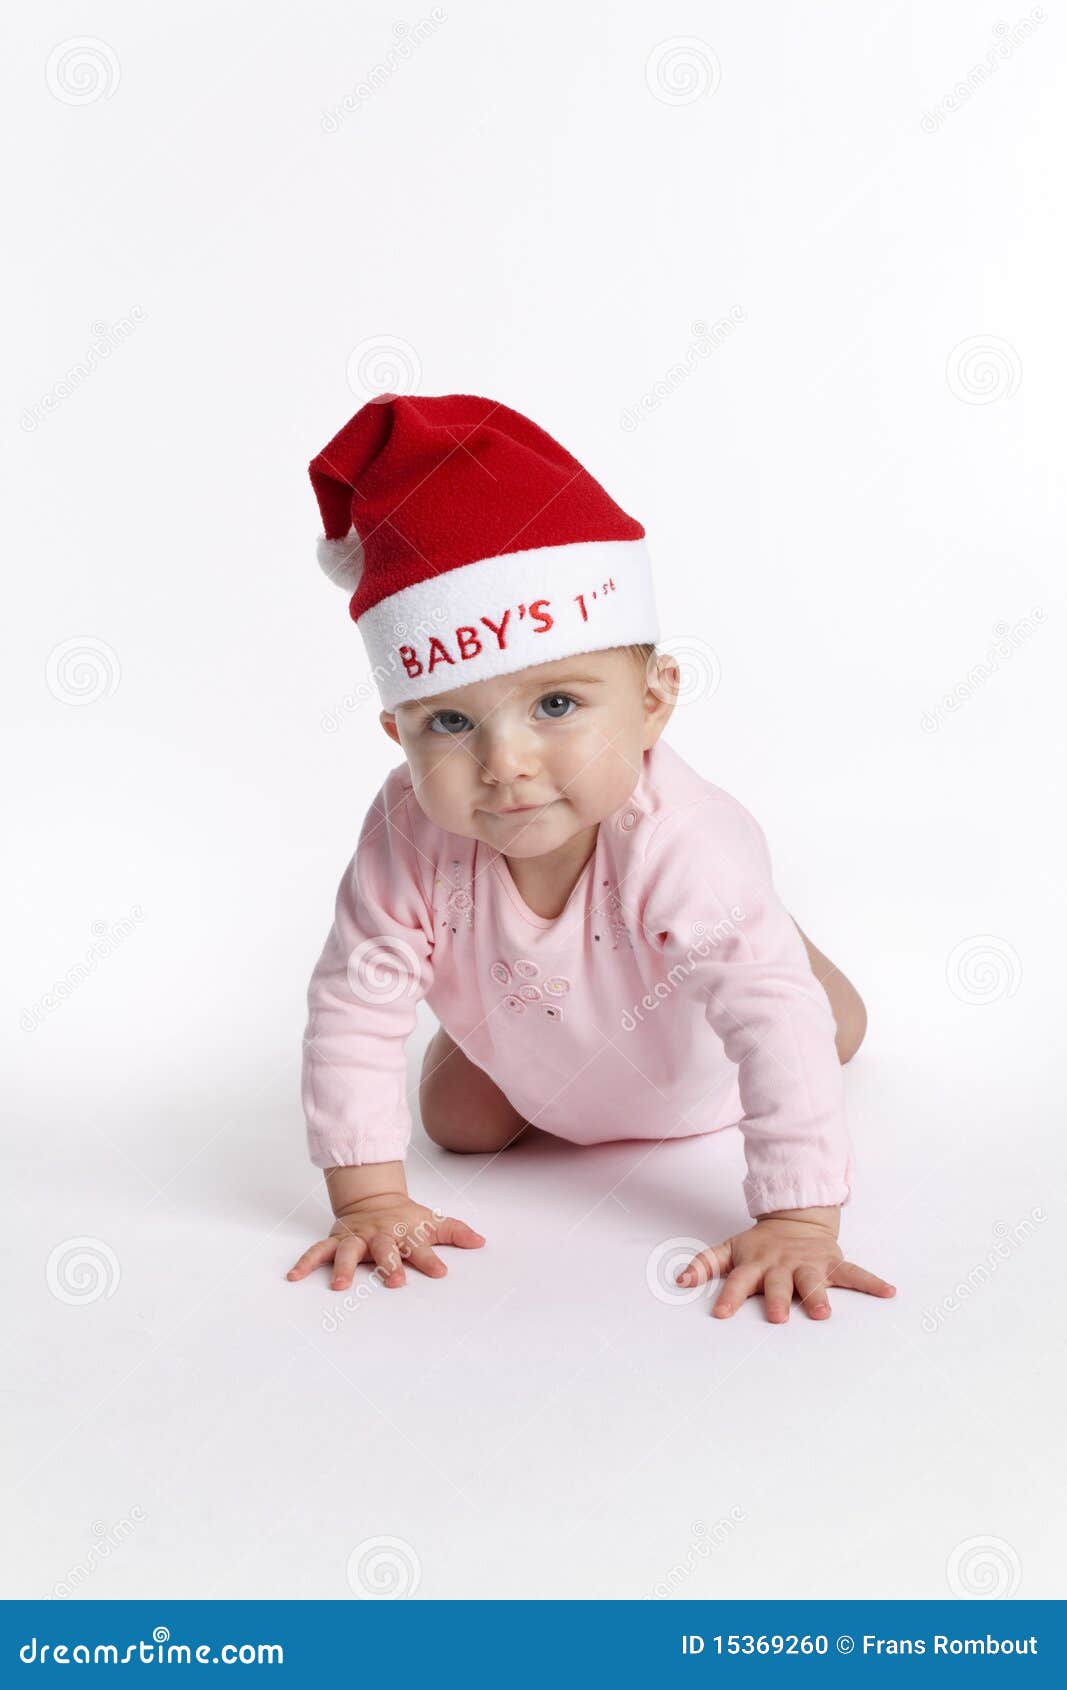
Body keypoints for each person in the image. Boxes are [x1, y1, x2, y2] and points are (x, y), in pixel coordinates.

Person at [286, 394, 895, 1323]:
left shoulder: (682, 840)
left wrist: (797, 1220)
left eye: (556, 705)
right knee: (457, 1123)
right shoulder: (408, 830)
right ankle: (531, 1016)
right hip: (549, 1048)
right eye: (447, 721)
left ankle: (779, 943)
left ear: (652, 703)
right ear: (395, 735)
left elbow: (771, 1027)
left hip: (695, 1055)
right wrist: (369, 1200)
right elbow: (352, 1001)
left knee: (818, 1021)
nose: (504, 764)